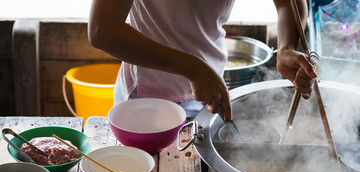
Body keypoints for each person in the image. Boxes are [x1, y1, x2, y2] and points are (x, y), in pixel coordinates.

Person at [88, 0, 318, 122]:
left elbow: (288, 3)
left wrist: (287, 46)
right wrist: (193, 69)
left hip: (209, 89)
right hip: (147, 97)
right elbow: (102, 29)